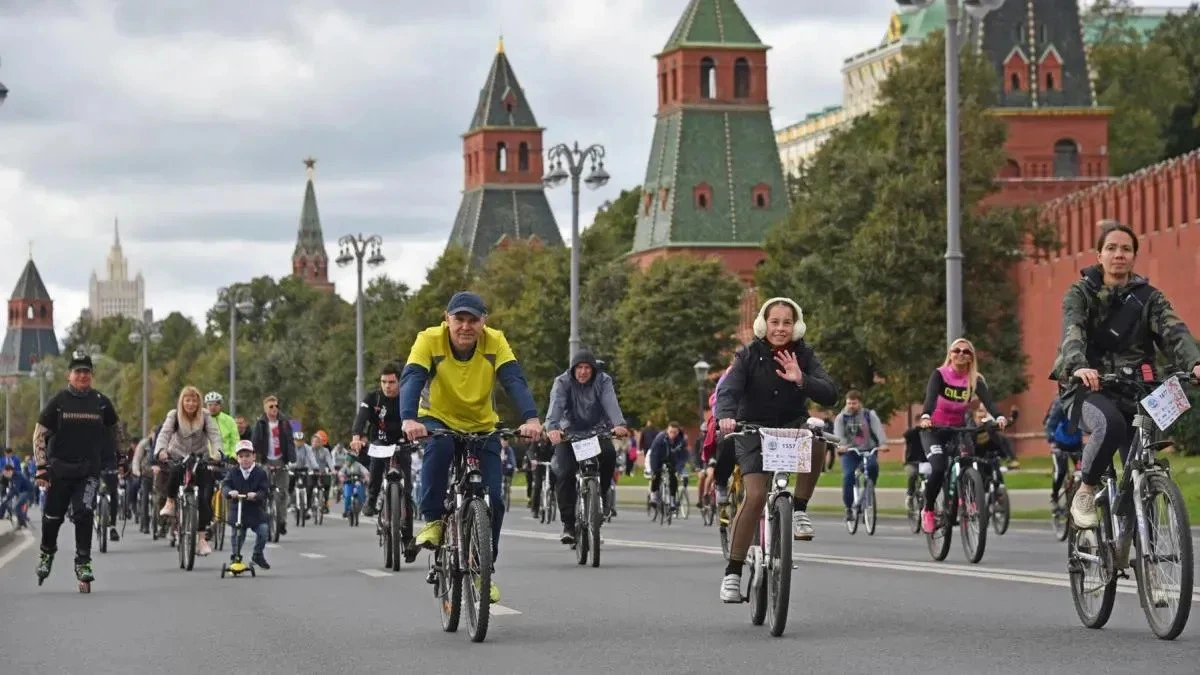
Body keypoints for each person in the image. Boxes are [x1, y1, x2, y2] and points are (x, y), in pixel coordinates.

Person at [1051, 220, 1200, 528]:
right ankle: (1086, 489)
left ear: (1134, 256)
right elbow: (1072, 330)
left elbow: (1175, 332)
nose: (1119, 254)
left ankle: (1136, 533)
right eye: (1111, 248)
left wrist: (1195, 362)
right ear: (1099, 255)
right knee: (1110, 424)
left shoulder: (1150, 298)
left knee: (1144, 451)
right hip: (1089, 387)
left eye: (1126, 249)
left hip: (1137, 387)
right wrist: (1079, 365)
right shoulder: (1081, 294)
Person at [400, 291, 542, 603]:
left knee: (494, 499)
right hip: (437, 419)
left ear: (483, 322)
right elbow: (411, 378)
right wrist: (409, 419)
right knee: (439, 450)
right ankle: (435, 521)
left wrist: (531, 418)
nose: (465, 327)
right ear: (446, 319)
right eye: (459, 319)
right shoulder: (428, 340)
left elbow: (514, 380)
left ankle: (482, 570)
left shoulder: (496, 341)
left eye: (473, 320)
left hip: (481, 424)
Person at [714, 297, 838, 601]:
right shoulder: (747, 355)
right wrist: (726, 417)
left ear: (795, 326)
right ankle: (733, 573)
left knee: (818, 434)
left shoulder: (805, 355)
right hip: (752, 429)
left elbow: (830, 394)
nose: (780, 328)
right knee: (755, 496)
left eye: (787, 322)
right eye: (774, 322)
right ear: (763, 324)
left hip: (791, 428)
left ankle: (798, 509)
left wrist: (802, 380)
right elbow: (728, 391)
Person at [32, 352, 120, 587]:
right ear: (68, 375)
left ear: (92, 375)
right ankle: (46, 554)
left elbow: (114, 431)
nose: (82, 375)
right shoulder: (58, 401)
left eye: (86, 372)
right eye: (77, 371)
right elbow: (39, 434)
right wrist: (41, 468)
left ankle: (83, 562)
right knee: (52, 517)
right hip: (59, 471)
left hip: (88, 472)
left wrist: (118, 460)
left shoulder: (101, 402)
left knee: (84, 512)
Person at [917, 338, 1008, 534]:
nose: (961, 354)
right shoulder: (940, 375)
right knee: (939, 467)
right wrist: (925, 416)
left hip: (958, 430)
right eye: (956, 350)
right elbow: (930, 399)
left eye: (966, 352)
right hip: (934, 430)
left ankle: (967, 500)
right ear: (950, 354)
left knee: (968, 461)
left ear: (971, 357)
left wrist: (999, 417)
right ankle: (929, 509)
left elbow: (989, 403)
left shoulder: (975, 379)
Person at [545, 348, 628, 545]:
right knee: (564, 473)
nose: (583, 372)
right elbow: (556, 405)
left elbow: (610, 402)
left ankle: (603, 495)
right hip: (569, 434)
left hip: (596, 432)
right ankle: (568, 525)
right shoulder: (562, 382)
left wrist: (619, 424)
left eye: (587, 368)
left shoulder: (603, 381)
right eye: (579, 368)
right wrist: (553, 428)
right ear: (573, 369)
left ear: (593, 370)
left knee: (608, 454)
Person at [155, 385, 224, 556]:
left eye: (194, 400)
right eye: (187, 400)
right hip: (178, 454)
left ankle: (201, 539)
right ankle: (170, 502)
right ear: (182, 401)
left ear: (199, 402)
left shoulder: (206, 416)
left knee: (205, 497)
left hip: (200, 457)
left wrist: (218, 454)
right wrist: (161, 451)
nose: (191, 404)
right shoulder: (174, 415)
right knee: (175, 471)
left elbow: (215, 436)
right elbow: (164, 434)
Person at [350, 363, 408, 519]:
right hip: (381, 441)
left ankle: (408, 536)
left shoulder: (407, 397)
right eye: (383, 382)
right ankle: (372, 498)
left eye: (391, 382)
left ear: (399, 382)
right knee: (375, 458)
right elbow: (361, 417)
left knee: (407, 489)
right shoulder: (373, 398)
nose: (387, 386)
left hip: (404, 442)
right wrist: (356, 437)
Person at [834, 390, 886, 522]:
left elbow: (878, 430)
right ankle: (848, 507)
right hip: (850, 452)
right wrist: (842, 445)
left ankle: (866, 500)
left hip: (868, 449)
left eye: (854, 403)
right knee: (848, 476)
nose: (851, 405)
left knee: (873, 468)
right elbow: (838, 435)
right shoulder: (841, 418)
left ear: (859, 403)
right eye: (849, 403)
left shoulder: (869, 415)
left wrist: (883, 444)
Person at [250, 396, 296, 536]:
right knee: (263, 491)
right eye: (271, 406)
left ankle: (281, 521)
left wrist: (292, 460)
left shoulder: (285, 423)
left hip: (281, 460)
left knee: (282, 492)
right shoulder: (261, 423)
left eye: (276, 406)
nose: (274, 408)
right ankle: (263, 518)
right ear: (265, 408)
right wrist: (255, 459)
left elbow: (290, 442)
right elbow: (255, 442)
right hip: (266, 460)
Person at [222, 440, 271, 569]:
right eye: (241, 456)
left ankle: (257, 554)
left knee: (263, 530)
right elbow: (225, 485)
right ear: (237, 459)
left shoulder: (260, 473)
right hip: (238, 510)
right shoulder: (233, 472)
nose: (245, 459)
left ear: (254, 456)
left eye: (248, 456)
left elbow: (264, 490)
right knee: (237, 534)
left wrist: (256, 495)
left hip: (255, 510)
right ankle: (235, 556)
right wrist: (230, 492)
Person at [1043, 395, 1083, 505]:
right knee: (1061, 471)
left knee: (1084, 471)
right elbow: (1050, 425)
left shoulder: (1083, 405)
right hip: (1060, 444)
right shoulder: (1061, 405)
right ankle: (1055, 495)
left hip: (1076, 444)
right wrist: (1051, 441)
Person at [647, 423, 688, 511]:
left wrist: (679, 468)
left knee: (673, 477)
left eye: (675, 432)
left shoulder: (680, 441)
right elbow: (654, 454)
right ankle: (654, 495)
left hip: (672, 461)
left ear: (678, 432)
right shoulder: (660, 439)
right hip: (659, 458)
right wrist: (654, 468)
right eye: (671, 432)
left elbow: (683, 456)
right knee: (656, 475)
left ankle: (672, 499)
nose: (672, 434)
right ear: (667, 431)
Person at [205, 392, 240, 460]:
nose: (213, 407)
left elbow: (235, 440)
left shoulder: (229, 420)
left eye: (216, 405)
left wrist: (233, 456)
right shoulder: (203, 419)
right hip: (208, 459)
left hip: (227, 458)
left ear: (220, 406)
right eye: (210, 405)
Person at [1, 461, 35, 528]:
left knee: (16, 506)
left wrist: (7, 497)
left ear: (10, 471)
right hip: (22, 492)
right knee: (11, 504)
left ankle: (22, 522)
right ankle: (21, 521)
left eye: (5, 473)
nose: (4, 475)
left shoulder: (17, 476)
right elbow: (12, 488)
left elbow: (15, 489)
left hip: (27, 492)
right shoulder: (13, 476)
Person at [311, 430, 334, 513]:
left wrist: (331, 469)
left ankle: (326, 504)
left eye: (324, 442)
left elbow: (330, 460)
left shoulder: (327, 449)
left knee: (327, 486)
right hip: (313, 470)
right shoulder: (311, 449)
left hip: (324, 470)